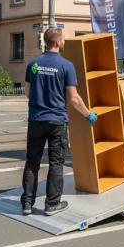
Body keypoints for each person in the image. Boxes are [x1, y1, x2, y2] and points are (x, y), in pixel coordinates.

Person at [21, 28, 96, 217]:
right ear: (57, 42)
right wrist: (88, 114)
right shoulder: (66, 66)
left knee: (32, 162)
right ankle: (52, 204)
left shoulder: (33, 64)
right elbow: (74, 99)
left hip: (36, 120)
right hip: (57, 122)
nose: (64, 42)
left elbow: (28, 93)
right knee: (56, 163)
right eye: (63, 39)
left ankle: (27, 203)